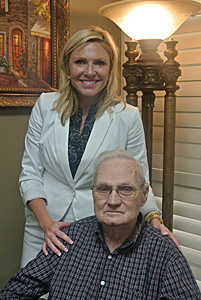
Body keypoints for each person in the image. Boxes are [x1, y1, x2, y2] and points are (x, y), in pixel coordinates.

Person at [19, 25, 178, 269]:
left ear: (111, 69)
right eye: (80, 62)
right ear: (67, 66)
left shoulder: (128, 117)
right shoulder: (44, 106)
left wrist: (154, 218)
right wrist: (46, 223)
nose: (89, 72)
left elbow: (140, 180)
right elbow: (29, 174)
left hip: (99, 233)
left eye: (100, 63)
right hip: (43, 229)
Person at [1, 149, 200, 299]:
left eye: (125, 189)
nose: (113, 201)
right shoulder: (68, 239)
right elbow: (13, 293)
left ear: (144, 195)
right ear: (93, 193)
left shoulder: (163, 253)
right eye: (103, 189)